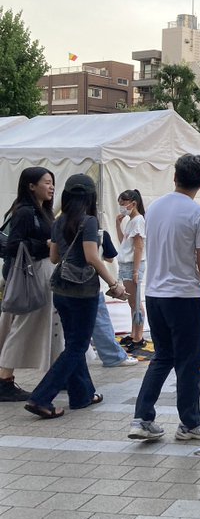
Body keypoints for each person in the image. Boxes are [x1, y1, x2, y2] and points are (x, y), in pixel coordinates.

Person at [129, 154, 200, 441]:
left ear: (175, 176)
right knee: (189, 363)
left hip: (155, 295)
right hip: (184, 296)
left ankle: (142, 418)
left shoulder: (154, 208)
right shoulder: (199, 214)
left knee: (162, 357)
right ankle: (190, 423)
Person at [24, 174, 127, 419]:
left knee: (74, 344)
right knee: (77, 346)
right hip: (83, 292)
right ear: (91, 197)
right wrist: (114, 284)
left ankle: (82, 395)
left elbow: (54, 258)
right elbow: (92, 257)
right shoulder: (89, 221)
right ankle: (41, 398)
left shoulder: (59, 221)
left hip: (61, 291)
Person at [0, 167, 62, 401]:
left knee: (46, 326)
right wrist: (44, 245)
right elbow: (13, 245)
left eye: (52, 182)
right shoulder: (25, 212)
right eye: (46, 182)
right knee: (22, 329)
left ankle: (58, 375)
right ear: (31, 186)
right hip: (29, 278)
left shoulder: (42, 211)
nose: (51, 187)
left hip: (36, 276)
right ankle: (4, 380)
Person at [90, 229, 139, 367]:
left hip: (64, 284)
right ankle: (113, 356)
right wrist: (113, 284)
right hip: (90, 284)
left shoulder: (60, 225)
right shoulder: (96, 231)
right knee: (100, 322)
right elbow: (108, 257)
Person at [115, 189, 147, 353]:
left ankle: (138, 337)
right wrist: (117, 224)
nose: (121, 207)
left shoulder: (138, 220)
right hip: (127, 265)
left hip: (133, 265)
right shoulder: (131, 221)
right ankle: (134, 334)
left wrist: (135, 271)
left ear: (133, 203)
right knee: (132, 302)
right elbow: (124, 243)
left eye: (123, 203)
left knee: (136, 302)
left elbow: (139, 247)